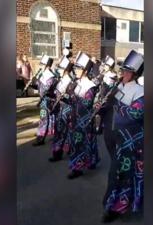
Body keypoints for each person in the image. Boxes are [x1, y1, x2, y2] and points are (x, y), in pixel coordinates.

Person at [101, 50, 144, 223]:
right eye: (123, 70)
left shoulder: (141, 91)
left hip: (129, 140)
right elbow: (110, 109)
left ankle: (116, 206)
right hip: (113, 136)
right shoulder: (118, 86)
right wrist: (102, 105)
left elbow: (136, 113)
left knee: (120, 174)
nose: (123, 73)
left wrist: (115, 103)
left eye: (127, 71)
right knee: (117, 171)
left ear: (135, 73)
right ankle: (118, 202)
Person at [66, 51, 99, 179]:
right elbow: (72, 101)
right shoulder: (77, 82)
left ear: (85, 70)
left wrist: (72, 95)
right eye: (75, 68)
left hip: (84, 119)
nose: (75, 70)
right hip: (75, 117)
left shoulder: (90, 86)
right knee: (86, 141)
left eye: (78, 68)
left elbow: (87, 103)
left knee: (79, 143)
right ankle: (92, 160)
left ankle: (78, 168)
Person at [48, 56, 75, 162]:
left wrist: (64, 97)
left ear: (65, 70)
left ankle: (59, 152)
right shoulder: (60, 80)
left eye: (60, 68)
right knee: (60, 131)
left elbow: (72, 97)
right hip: (59, 108)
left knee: (63, 131)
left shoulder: (70, 81)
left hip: (67, 108)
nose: (58, 70)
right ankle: (58, 151)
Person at [33, 55, 57, 146]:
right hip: (44, 100)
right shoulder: (43, 74)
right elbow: (38, 87)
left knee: (44, 119)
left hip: (47, 100)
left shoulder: (50, 76)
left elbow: (47, 89)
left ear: (47, 65)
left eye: (42, 64)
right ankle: (43, 134)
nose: (41, 66)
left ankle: (40, 138)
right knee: (45, 118)